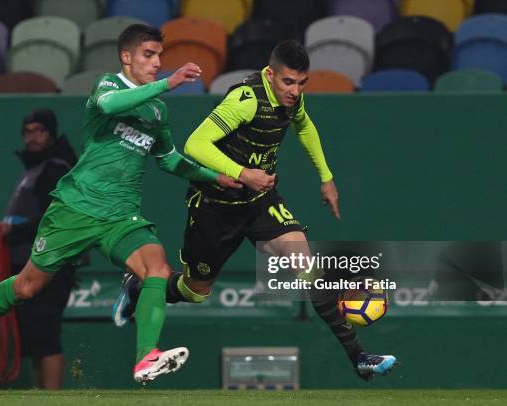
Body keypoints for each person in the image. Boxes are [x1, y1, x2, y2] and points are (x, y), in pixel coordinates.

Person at [0, 24, 240, 384]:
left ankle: (146, 356)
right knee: (25, 288)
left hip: (120, 215)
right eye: (149, 54)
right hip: (76, 208)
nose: (157, 62)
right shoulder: (108, 85)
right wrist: (168, 82)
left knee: (157, 268)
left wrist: (216, 177)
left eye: (160, 56)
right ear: (126, 57)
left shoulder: (158, 111)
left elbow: (169, 159)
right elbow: (109, 105)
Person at [113, 40, 397, 381]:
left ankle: (359, 356)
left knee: (305, 267)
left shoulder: (293, 101)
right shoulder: (244, 100)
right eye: (287, 82)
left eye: (301, 83)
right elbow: (194, 145)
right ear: (269, 74)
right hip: (215, 208)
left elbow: (304, 125)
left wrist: (326, 177)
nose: (294, 91)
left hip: (261, 202)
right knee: (194, 291)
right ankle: (135, 288)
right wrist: (244, 173)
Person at [0, 109, 78, 389]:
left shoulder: (55, 168)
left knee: (46, 333)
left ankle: (50, 397)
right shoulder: (34, 168)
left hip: (50, 263)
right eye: (27, 131)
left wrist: (14, 230)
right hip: (29, 262)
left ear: (50, 133)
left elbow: (57, 218)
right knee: (34, 334)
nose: (32, 137)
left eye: (38, 130)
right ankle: (41, 394)